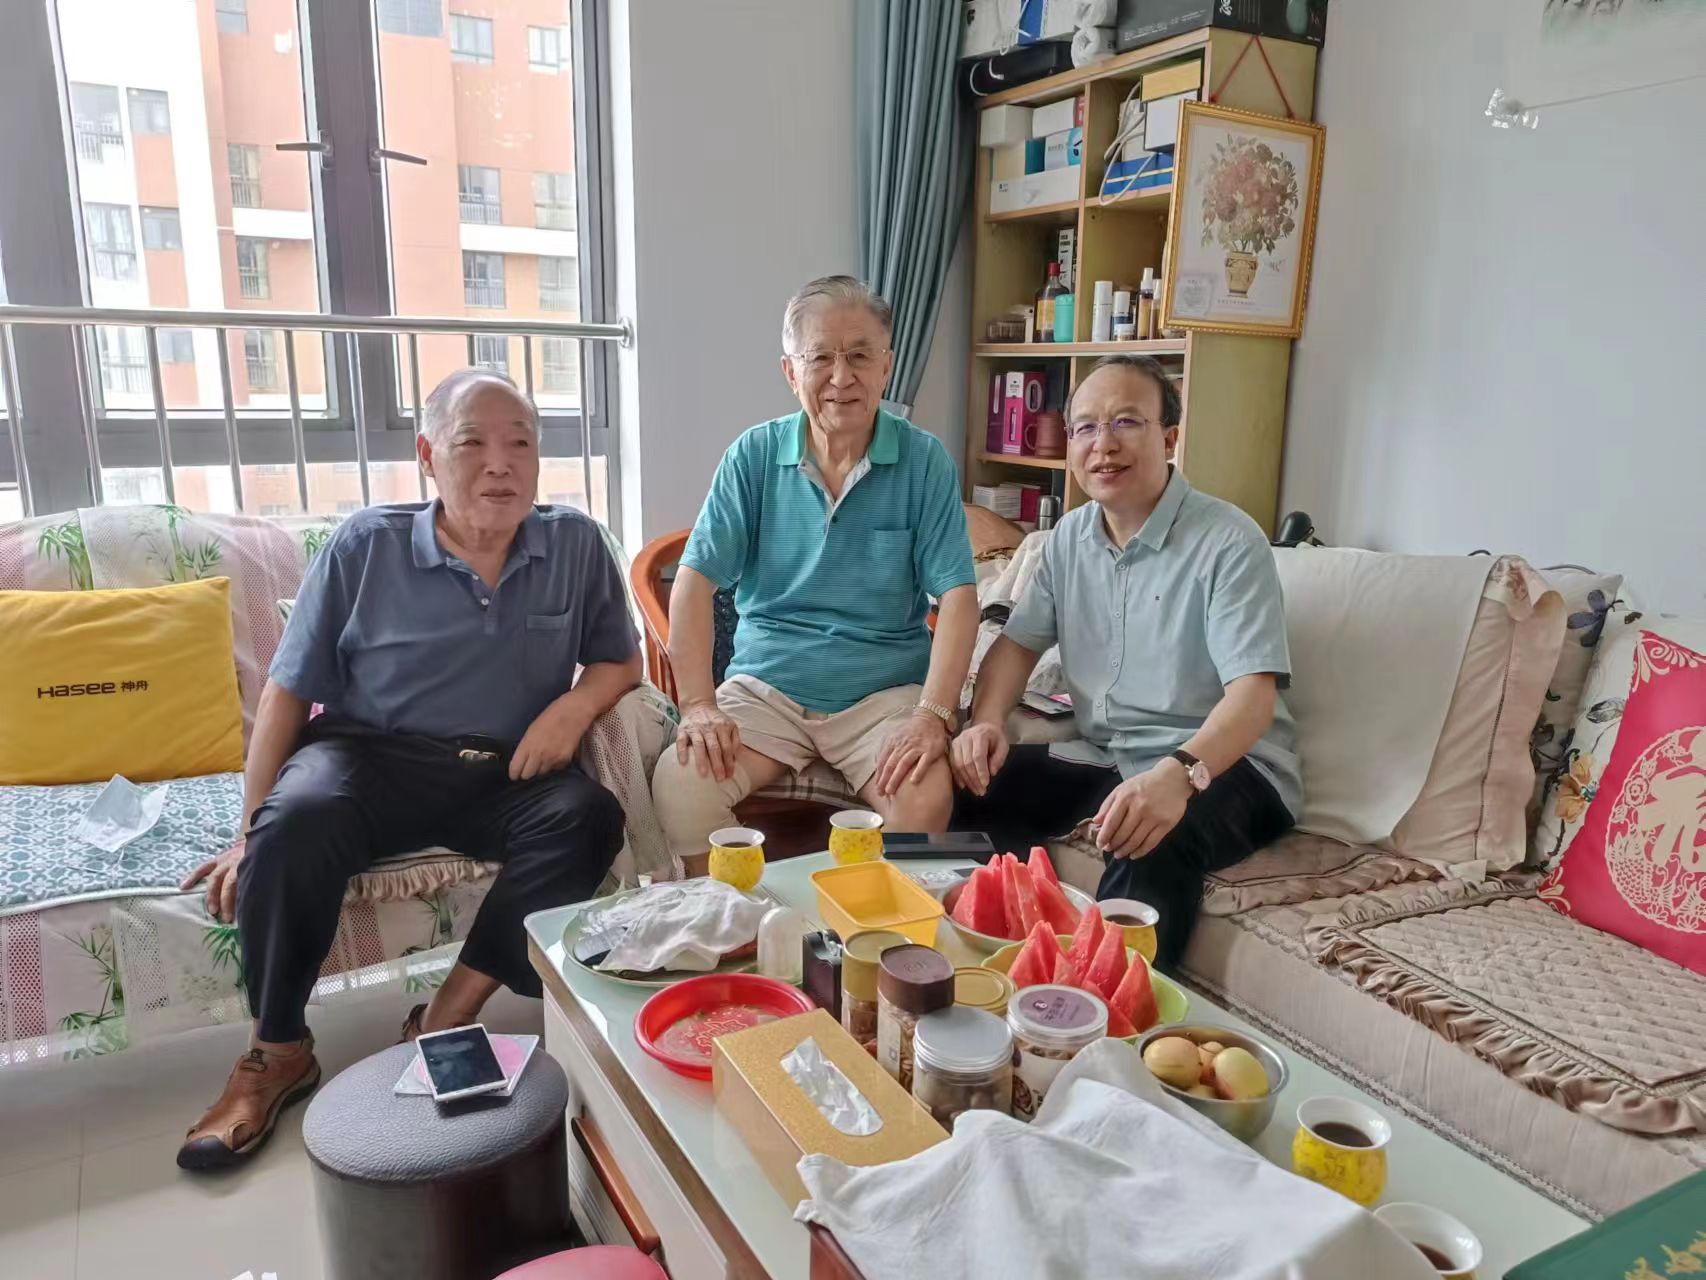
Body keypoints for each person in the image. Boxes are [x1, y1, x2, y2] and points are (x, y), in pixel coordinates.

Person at [175, 369, 641, 1170]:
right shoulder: (367, 545)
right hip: (370, 756)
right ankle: (276, 1051)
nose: (500, 464)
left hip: (502, 769)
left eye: (520, 444)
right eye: (472, 443)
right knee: (295, 823)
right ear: (428, 455)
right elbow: (287, 692)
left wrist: (571, 710)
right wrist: (250, 831)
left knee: (588, 817)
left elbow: (619, 661)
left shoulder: (575, 544)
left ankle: (447, 1016)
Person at [950, 354, 1300, 967]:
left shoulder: (1228, 540)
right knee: (967, 788)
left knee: (1149, 836)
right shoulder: (1069, 538)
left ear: (1169, 438)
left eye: (1126, 422)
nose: (1103, 445)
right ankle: (993, 958)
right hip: (1113, 756)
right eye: (1085, 427)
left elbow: (1252, 698)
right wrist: (985, 723)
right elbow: (1019, 644)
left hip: (1228, 766)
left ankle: (1110, 1011)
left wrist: (1177, 776)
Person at [651, 276, 979, 860]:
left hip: (881, 695)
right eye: (820, 358)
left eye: (860, 356)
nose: (841, 377)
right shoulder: (752, 455)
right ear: (790, 372)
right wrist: (698, 704)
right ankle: (731, 912)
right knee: (682, 785)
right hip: (768, 689)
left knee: (924, 800)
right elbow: (694, 582)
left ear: (887, 366)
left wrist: (933, 714)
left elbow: (958, 596)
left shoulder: (925, 460)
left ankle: (871, 917)